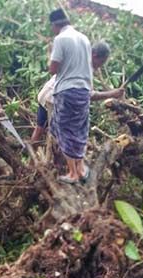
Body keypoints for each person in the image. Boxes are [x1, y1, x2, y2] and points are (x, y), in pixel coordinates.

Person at [31, 41, 122, 144]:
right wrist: (111, 94)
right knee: (58, 138)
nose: (100, 66)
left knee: (39, 130)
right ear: (94, 55)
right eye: (101, 62)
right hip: (54, 101)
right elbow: (88, 95)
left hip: (46, 95)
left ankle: (33, 158)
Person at [48, 8, 93, 184]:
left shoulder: (60, 39)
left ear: (55, 25)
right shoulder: (84, 38)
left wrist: (49, 57)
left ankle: (73, 173)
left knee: (63, 129)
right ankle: (81, 169)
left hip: (66, 90)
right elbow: (88, 67)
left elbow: (53, 68)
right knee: (80, 129)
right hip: (83, 90)